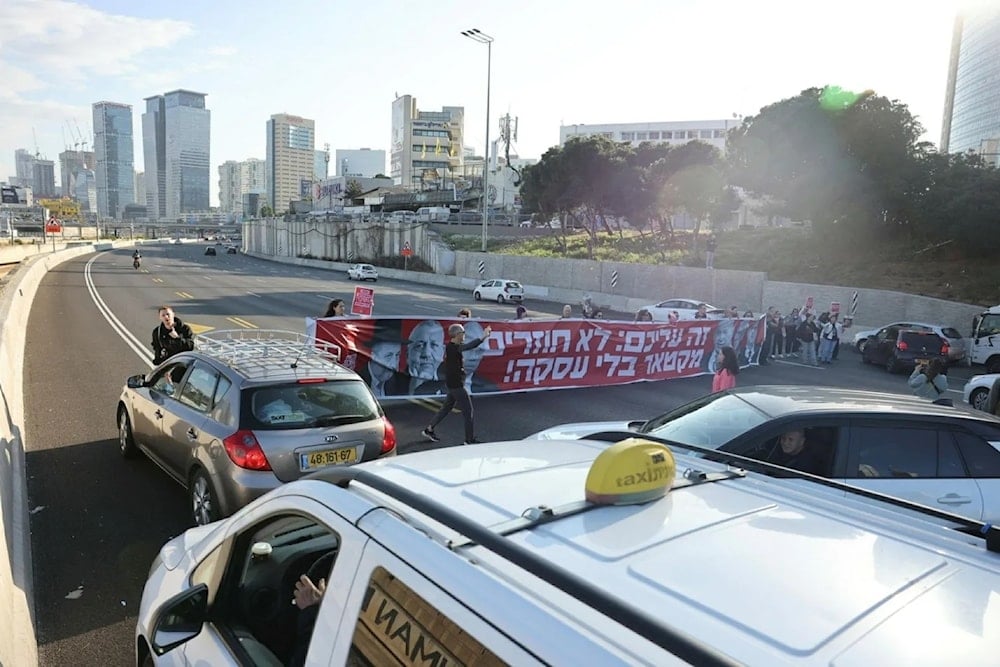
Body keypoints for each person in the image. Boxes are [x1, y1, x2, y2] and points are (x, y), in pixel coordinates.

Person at [422, 322, 492, 445]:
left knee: (446, 408)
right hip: (456, 385)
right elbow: (469, 346)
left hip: (452, 384)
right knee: (468, 411)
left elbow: (466, 346)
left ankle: (429, 429)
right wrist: (483, 337)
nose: (464, 335)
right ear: (457, 334)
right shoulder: (453, 348)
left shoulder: (453, 346)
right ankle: (468, 440)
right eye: (463, 332)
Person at [406, 320, 445, 394]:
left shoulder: (451, 385)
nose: (427, 354)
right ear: (408, 354)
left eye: (434, 345)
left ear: (443, 352)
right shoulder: (390, 385)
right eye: (419, 346)